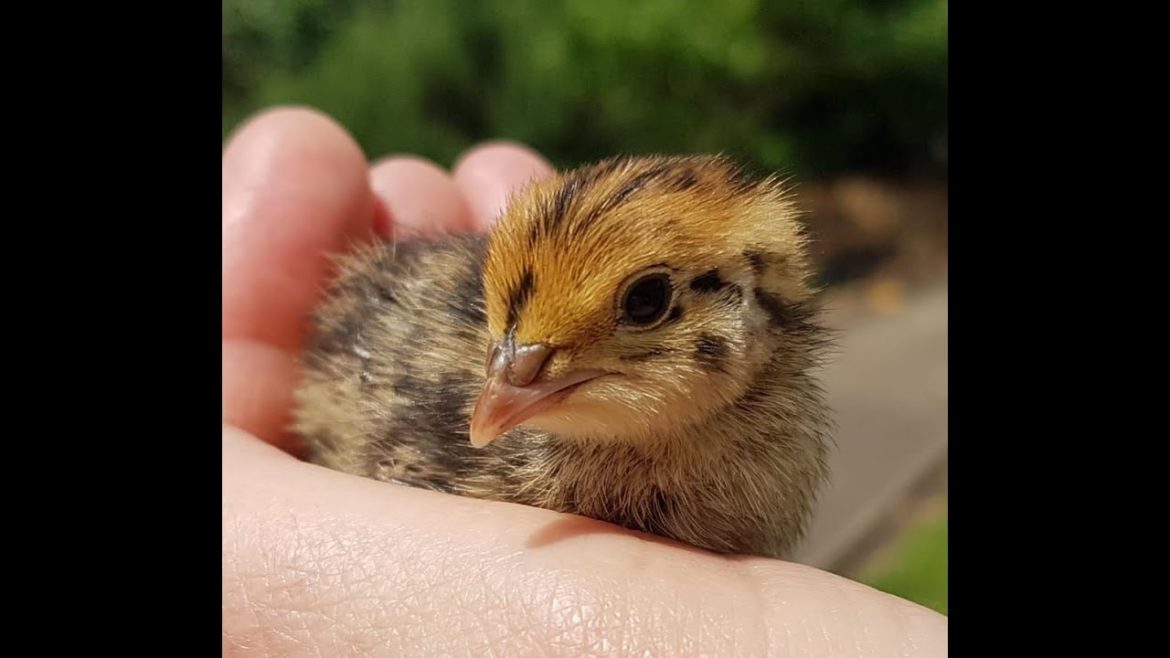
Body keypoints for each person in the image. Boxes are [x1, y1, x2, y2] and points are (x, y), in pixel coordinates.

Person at [221, 106, 948, 656]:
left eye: (643, 304)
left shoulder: (772, 451)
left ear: (749, 294)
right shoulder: (451, 444)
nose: (504, 386)